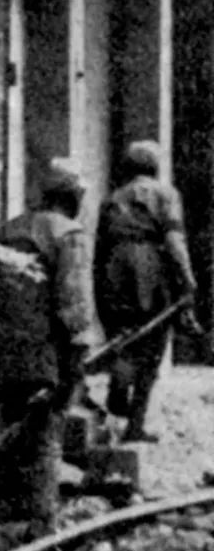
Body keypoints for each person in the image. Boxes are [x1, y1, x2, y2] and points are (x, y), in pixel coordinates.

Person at [0, 157, 96, 536]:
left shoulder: (10, 229)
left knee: (13, 421)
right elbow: (74, 303)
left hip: (0, 346)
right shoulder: (69, 234)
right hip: (43, 348)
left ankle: (6, 515)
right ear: (72, 197)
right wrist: (77, 356)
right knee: (45, 434)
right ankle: (42, 522)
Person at [94, 140, 199, 444]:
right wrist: (187, 278)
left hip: (113, 270)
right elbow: (174, 240)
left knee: (123, 338)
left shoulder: (112, 199)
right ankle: (135, 425)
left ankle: (118, 384)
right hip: (148, 269)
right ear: (155, 167)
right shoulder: (165, 194)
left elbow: (100, 248)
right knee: (152, 346)